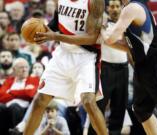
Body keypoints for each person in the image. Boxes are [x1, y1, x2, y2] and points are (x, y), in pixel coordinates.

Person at [23, 0, 107, 135]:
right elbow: (57, 22)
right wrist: (43, 33)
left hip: (86, 57)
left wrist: (55, 36)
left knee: (89, 102)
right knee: (40, 101)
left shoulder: (95, 2)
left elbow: (92, 38)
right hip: (62, 54)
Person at [102, 0, 157, 135]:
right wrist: (104, 37)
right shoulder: (127, 10)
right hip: (142, 66)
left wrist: (101, 28)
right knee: (142, 110)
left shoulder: (132, 8)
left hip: (155, 63)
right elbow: (128, 47)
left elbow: (110, 38)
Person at [88, 0, 130, 135]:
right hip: (106, 69)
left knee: (119, 108)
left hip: (123, 69)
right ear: (107, 8)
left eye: (117, 6)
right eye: (112, 6)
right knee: (99, 107)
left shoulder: (127, 24)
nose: (115, 9)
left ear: (121, 7)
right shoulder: (102, 23)